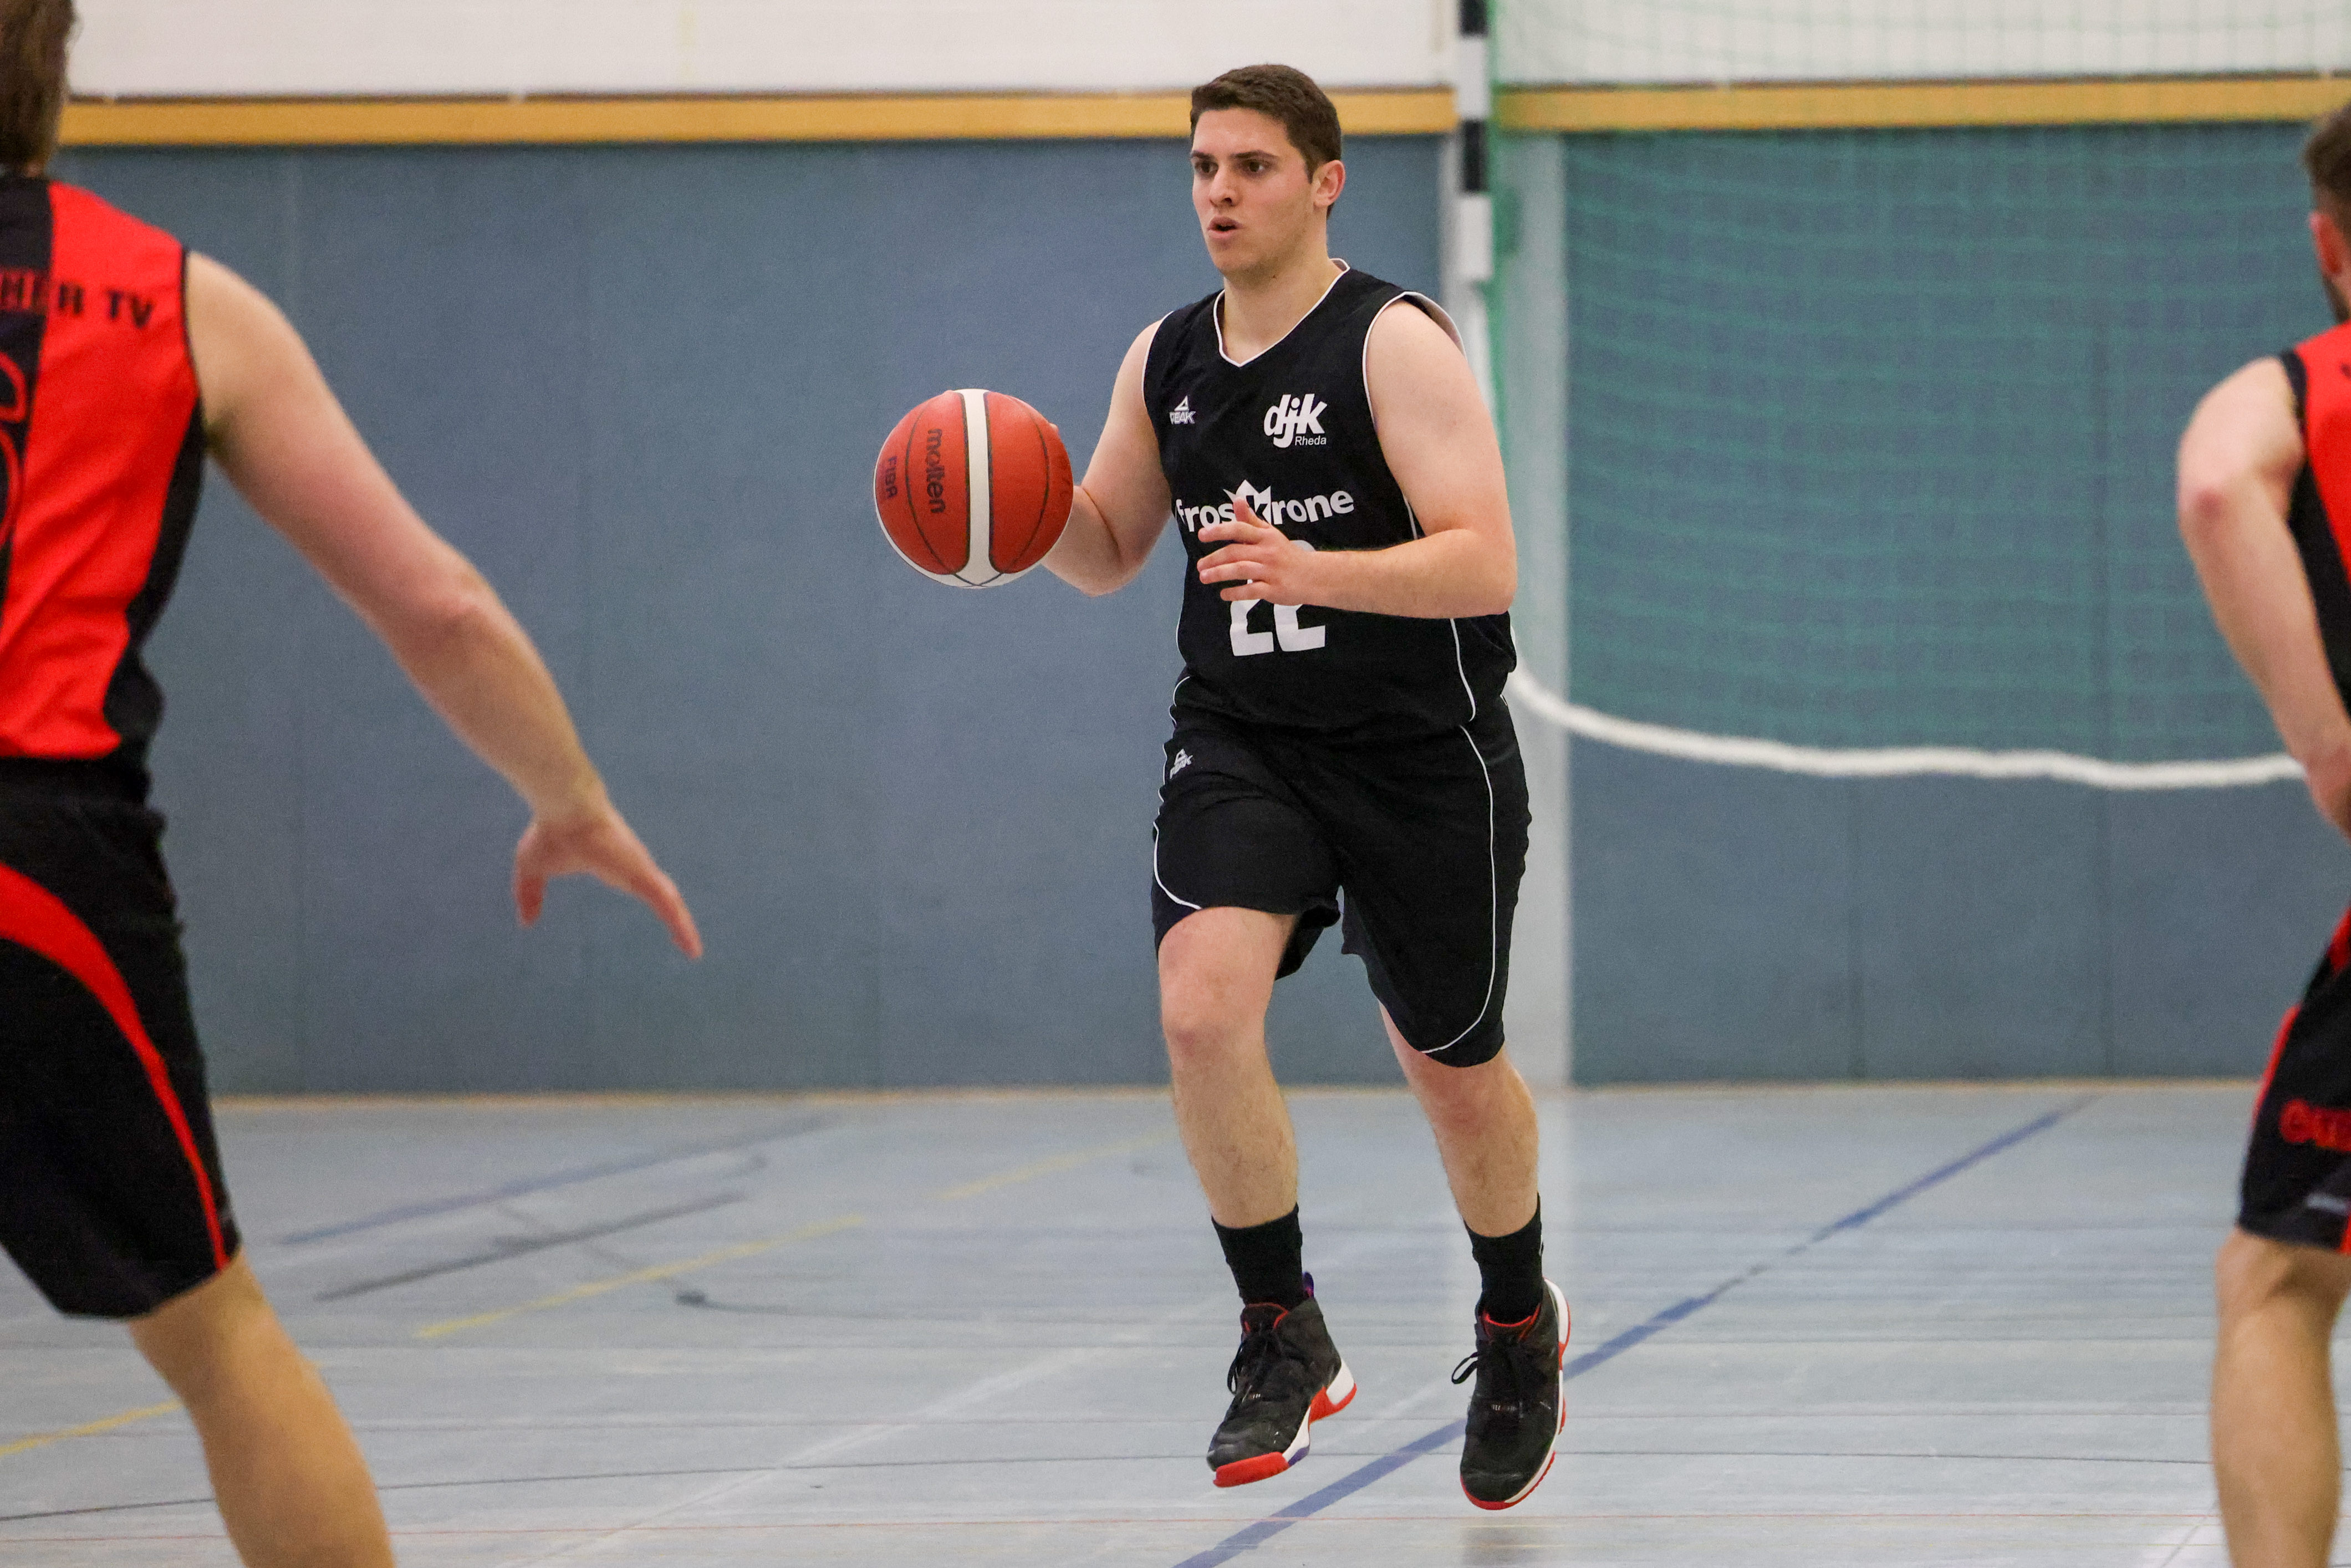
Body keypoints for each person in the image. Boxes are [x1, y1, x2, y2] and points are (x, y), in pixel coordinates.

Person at [0, 3, 702, 1564]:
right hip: (44, 871)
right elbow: (436, 605)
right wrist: (569, 796)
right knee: (214, 1337)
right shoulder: (178, 301)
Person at [1042, 63, 1561, 1509]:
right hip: (1247, 738)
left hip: (1418, 752)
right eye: (1204, 166)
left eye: (1253, 167)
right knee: (1200, 1009)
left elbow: (1486, 561)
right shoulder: (1163, 359)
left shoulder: (1392, 342)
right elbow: (1105, 548)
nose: (1220, 192)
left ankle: (1516, 1321)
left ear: (1324, 182)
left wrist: (1312, 569)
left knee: (1451, 1071)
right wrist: (1010, 520)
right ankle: (1280, 1327)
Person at [2179, 99, 2351, 1568]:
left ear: (2328, 246)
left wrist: (2324, 738)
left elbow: (2218, 481)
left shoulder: (2307, 387)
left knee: (2282, 1278)